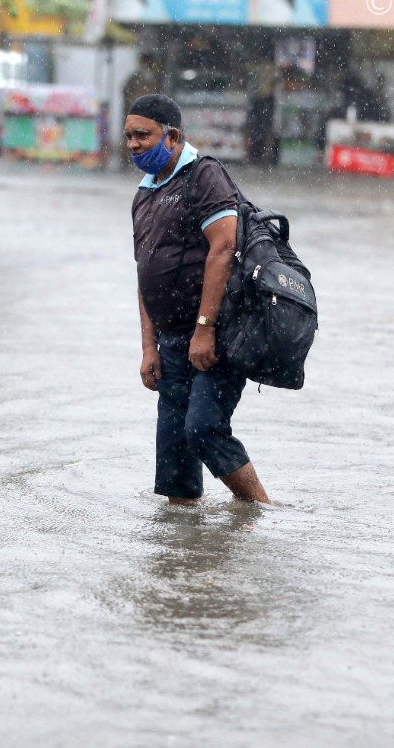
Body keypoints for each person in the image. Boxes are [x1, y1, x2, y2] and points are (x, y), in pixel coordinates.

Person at [127, 94, 270, 506]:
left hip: (218, 333)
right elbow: (145, 272)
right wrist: (147, 348)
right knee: (175, 468)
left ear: (171, 135)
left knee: (205, 429)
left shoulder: (204, 176)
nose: (134, 144)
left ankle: (263, 513)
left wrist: (205, 331)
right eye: (129, 137)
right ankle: (183, 555)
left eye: (143, 135)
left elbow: (223, 248)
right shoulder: (144, 196)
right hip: (169, 342)